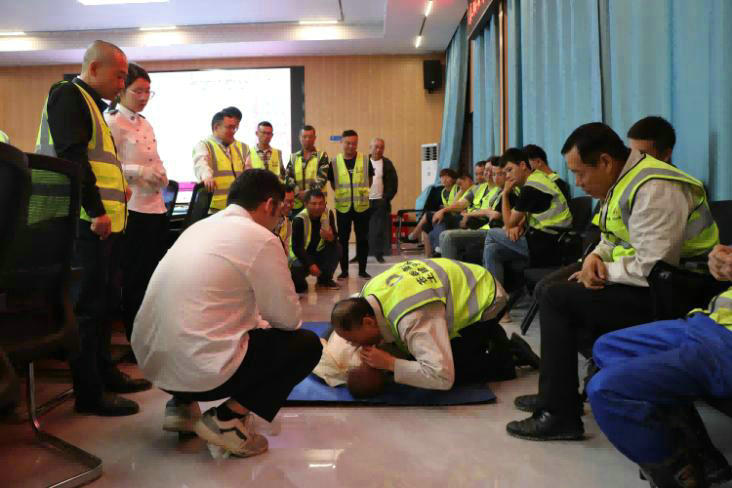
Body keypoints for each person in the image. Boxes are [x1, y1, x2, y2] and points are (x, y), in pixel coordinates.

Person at [507, 122, 720, 442]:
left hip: (679, 288)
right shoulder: (623, 180)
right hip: (646, 277)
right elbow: (611, 237)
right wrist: (595, 257)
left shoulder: (656, 187)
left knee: (558, 298)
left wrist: (602, 271)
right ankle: (563, 392)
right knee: (547, 287)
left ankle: (560, 412)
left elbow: (655, 264)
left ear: (605, 162)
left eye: (580, 173)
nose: (577, 183)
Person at [131, 169, 322, 458]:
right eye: (281, 210)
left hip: (153, 364)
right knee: (305, 346)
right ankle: (228, 421)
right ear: (269, 205)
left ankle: (182, 406)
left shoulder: (197, 228)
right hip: (200, 370)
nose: (280, 219)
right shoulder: (261, 237)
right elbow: (288, 320)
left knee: (199, 317)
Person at [35, 40, 151, 416]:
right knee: (87, 308)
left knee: (103, 304)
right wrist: (96, 209)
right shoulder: (68, 96)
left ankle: (105, 374)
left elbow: (96, 161)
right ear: (95, 68)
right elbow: (73, 158)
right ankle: (89, 394)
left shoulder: (92, 106)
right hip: (83, 222)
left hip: (101, 224)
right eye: (119, 76)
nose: (122, 84)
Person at [587, 243, 732, 488]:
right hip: (707, 322)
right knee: (608, 347)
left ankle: (682, 474)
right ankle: (698, 453)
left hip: (725, 344)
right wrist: (721, 262)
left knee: (606, 389)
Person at [330, 258, 539, 390]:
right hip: (464, 282)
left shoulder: (412, 319)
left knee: (453, 373)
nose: (352, 345)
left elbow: (442, 376)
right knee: (414, 358)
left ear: (368, 321)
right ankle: (489, 339)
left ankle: (506, 356)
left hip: (486, 299)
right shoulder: (366, 294)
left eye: (352, 340)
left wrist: (390, 364)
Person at [105, 63, 168, 342]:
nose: (144, 97)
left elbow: (154, 158)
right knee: (135, 278)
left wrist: (161, 173)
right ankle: (135, 338)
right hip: (132, 209)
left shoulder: (145, 123)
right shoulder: (112, 121)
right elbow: (109, 164)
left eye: (147, 92)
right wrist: (139, 172)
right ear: (122, 90)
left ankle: (151, 334)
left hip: (156, 206)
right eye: (138, 91)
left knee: (154, 276)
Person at [482, 148, 573, 286]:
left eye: (509, 170)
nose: (507, 176)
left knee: (491, 234)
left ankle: (491, 291)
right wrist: (517, 225)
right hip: (548, 238)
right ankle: (498, 294)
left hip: (549, 243)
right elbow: (521, 218)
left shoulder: (531, 187)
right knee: (492, 250)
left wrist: (505, 194)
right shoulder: (537, 178)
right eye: (505, 172)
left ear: (523, 165)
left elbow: (509, 222)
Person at [440, 158, 519, 262]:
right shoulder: (480, 188)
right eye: (493, 173)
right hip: (483, 225)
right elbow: (461, 204)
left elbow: (494, 214)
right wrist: (460, 192)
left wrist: (469, 215)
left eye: (498, 174)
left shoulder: (505, 192)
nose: (491, 175)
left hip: (486, 226)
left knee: (449, 236)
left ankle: (451, 268)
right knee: (444, 230)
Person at [328, 129, 374, 280]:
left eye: (354, 143)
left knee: (362, 239)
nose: (351, 146)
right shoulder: (334, 162)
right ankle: (344, 271)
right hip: (343, 208)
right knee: (343, 240)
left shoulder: (365, 160)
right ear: (341, 142)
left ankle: (362, 270)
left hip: (362, 207)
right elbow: (333, 184)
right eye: (348, 143)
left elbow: (370, 180)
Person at [192, 110, 246, 212]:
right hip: (214, 209)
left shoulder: (237, 148)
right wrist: (207, 177)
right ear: (216, 127)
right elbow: (201, 163)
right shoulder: (204, 145)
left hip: (236, 207)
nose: (233, 131)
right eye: (229, 127)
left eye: (234, 128)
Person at [289, 189, 341, 293]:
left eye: (321, 203)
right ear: (306, 204)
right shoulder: (299, 219)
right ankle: (299, 282)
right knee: (300, 287)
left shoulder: (328, 213)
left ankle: (324, 280)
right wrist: (311, 265)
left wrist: (331, 238)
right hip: (300, 256)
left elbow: (335, 236)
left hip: (318, 253)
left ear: (325, 203)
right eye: (313, 204)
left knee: (337, 247)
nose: (317, 207)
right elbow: (297, 248)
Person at [402, 168, 461, 245]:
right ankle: (430, 249)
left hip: (455, 215)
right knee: (426, 226)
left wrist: (444, 209)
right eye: (442, 177)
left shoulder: (457, 189)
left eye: (447, 177)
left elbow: (458, 205)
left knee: (428, 215)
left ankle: (414, 235)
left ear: (453, 179)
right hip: (447, 213)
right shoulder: (443, 191)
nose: (444, 179)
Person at [285, 125, 329, 214]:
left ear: (315, 138)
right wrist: (298, 192)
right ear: (300, 138)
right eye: (304, 137)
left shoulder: (322, 156)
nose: (307, 139)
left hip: (316, 203)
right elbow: (288, 177)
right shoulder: (293, 157)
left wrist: (307, 194)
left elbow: (322, 179)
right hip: (297, 203)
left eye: (310, 137)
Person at [367, 138, 398, 263]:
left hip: (380, 201)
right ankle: (360, 254)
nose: (378, 149)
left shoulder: (387, 164)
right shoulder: (363, 162)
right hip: (364, 202)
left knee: (379, 229)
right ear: (370, 148)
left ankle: (378, 254)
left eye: (381, 147)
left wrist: (385, 198)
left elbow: (393, 184)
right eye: (376, 147)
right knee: (362, 229)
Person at [274, 185, 295, 256]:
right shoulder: (266, 220)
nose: (289, 205)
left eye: (292, 201)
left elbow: (287, 251)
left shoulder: (288, 224)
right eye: (287, 201)